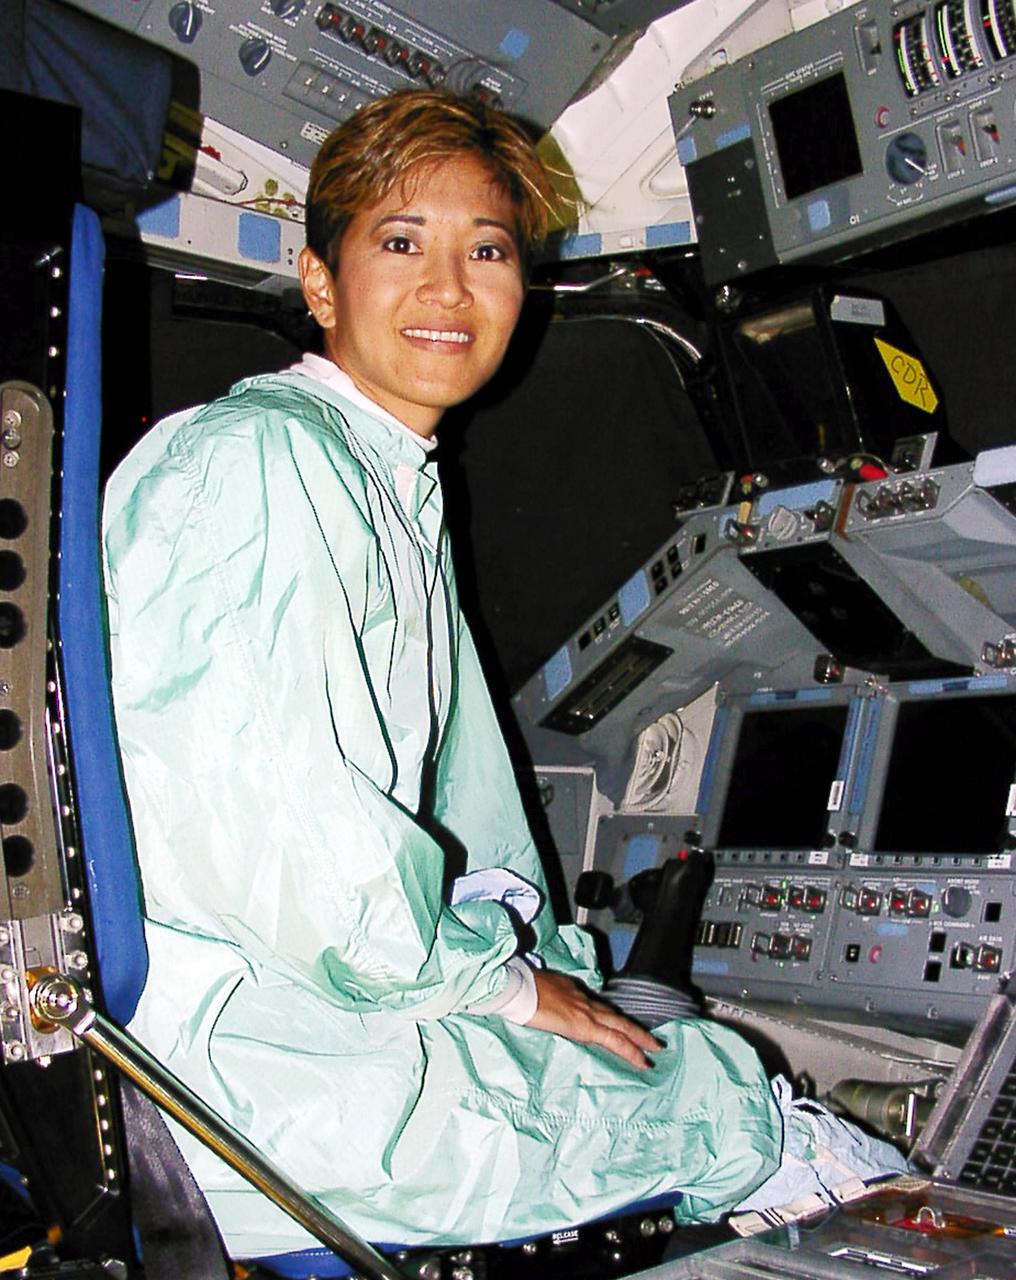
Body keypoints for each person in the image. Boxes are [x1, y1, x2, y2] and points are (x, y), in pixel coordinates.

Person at [102, 88, 861, 1260]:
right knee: (721, 1099)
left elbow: (465, 810)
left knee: (656, 1051)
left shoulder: (382, 480)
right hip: (257, 1079)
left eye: (486, 249)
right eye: (400, 242)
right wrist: (508, 992)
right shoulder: (258, 466)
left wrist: (536, 963)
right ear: (318, 282)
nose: (448, 289)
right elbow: (296, 843)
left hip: (309, 1024)